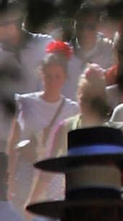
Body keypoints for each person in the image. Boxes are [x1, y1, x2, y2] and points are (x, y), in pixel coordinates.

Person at [7, 40, 75, 203]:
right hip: (26, 171)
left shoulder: (72, 109)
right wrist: (10, 178)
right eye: (48, 76)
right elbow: (13, 141)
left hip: (55, 176)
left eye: (57, 77)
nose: (52, 82)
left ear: (64, 77)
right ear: (41, 75)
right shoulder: (25, 103)